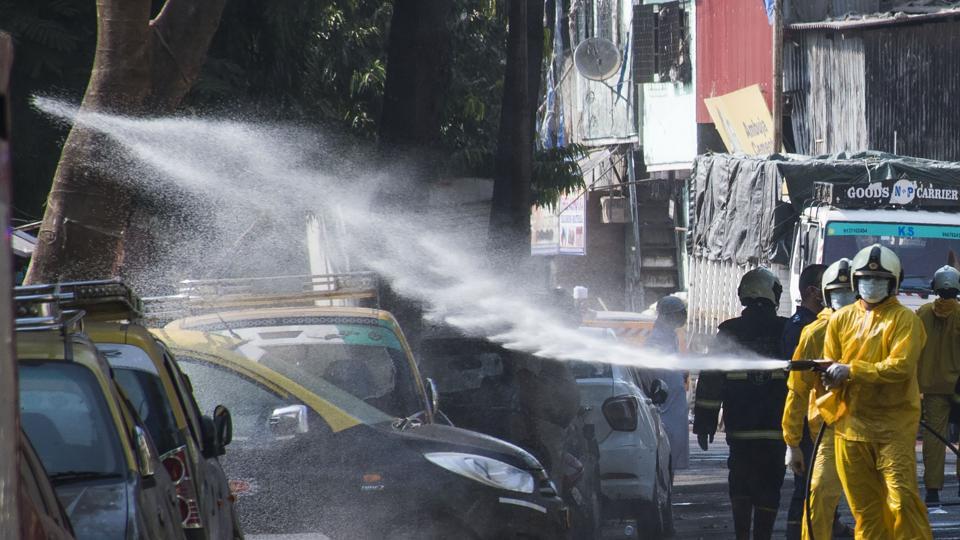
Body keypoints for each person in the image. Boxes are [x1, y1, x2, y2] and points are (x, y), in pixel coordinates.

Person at [821, 244, 931, 539]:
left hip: (893, 431)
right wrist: (830, 378)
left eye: (881, 280)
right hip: (851, 430)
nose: (872, 285)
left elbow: (900, 368)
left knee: (903, 503)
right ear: (856, 282)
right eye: (867, 279)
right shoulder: (841, 320)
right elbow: (831, 363)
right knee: (865, 512)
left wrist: (852, 371)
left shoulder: (906, 321)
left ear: (893, 283)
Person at [694, 267, 788, 540]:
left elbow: (710, 379)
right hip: (776, 426)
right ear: (772, 293)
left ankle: (741, 536)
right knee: (770, 483)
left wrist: (705, 422)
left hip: (740, 426)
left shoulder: (729, 331)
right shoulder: (786, 329)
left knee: (741, 482)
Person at [783, 259, 856, 540]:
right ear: (824, 295)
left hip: (873, 428)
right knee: (819, 497)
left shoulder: (879, 326)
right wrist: (792, 444)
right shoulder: (813, 333)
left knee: (879, 502)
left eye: (850, 291)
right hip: (830, 430)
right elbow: (797, 390)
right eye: (838, 292)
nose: (845, 299)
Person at [781, 264, 826, 540]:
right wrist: (793, 441)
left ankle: (828, 526)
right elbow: (797, 386)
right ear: (812, 291)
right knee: (807, 486)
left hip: (820, 419)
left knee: (819, 485)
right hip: (808, 421)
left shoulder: (812, 324)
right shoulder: (803, 328)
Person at [917, 265, 960, 505]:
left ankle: (932, 492)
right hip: (957, 388)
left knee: (934, 440)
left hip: (931, 388)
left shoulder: (921, 313)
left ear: (934, 286)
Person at [640, 294, 690, 470]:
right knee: (667, 446)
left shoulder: (670, 336)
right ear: (669, 315)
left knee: (672, 449)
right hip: (665, 405)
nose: (683, 317)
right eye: (680, 313)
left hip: (673, 401)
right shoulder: (656, 339)